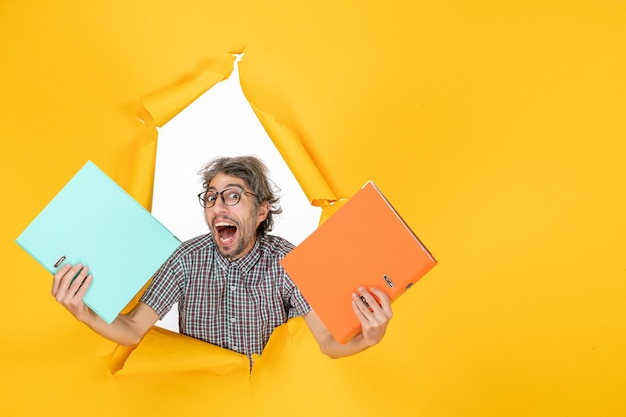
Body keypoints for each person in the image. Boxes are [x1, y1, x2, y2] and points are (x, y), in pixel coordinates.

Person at [52, 155, 392, 366]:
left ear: (261, 212)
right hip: (202, 400)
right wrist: (83, 312)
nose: (218, 206)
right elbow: (132, 329)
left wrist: (369, 338)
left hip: (265, 399)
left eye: (233, 196)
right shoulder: (186, 259)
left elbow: (329, 344)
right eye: (211, 197)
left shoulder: (287, 261)